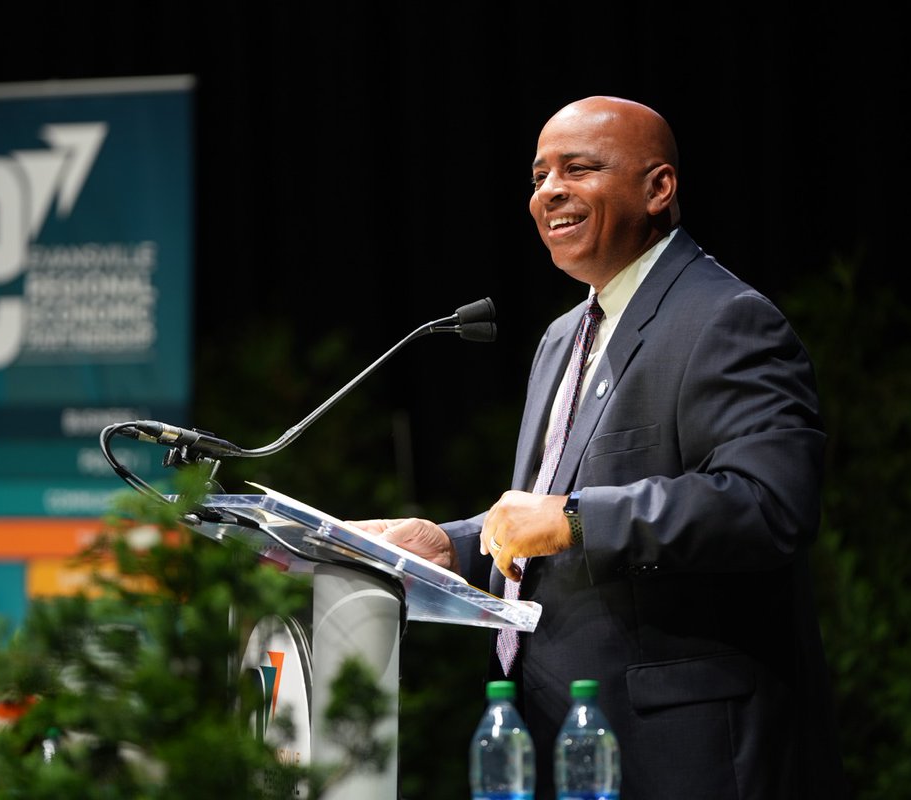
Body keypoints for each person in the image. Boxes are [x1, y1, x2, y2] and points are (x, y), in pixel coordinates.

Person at [352, 96, 846, 798]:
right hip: (558, 739)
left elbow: (769, 506)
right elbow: (550, 523)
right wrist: (452, 546)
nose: (549, 190)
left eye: (578, 168)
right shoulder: (563, 338)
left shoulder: (727, 320)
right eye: (538, 175)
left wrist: (578, 517)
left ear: (658, 188)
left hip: (683, 754)